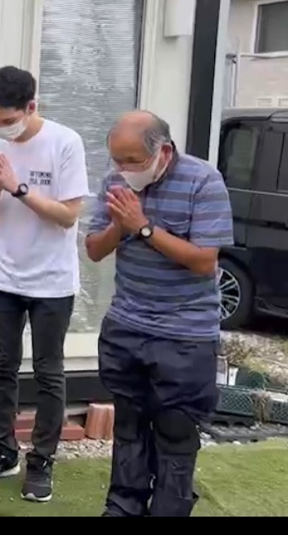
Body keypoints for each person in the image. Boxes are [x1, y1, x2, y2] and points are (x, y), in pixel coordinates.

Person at [85, 111, 232, 517]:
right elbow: (94, 249)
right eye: (117, 159)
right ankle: (123, 506)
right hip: (127, 324)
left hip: (185, 332)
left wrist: (143, 226)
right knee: (129, 424)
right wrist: (120, 226)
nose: (124, 169)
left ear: (163, 151)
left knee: (175, 429)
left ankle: (169, 510)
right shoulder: (115, 182)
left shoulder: (203, 181)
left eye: (132, 160)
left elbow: (204, 261)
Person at [0, 66, 89, 503]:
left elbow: (68, 215)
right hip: (1, 276)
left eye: (5, 120)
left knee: (48, 372)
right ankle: (3, 452)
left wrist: (17, 188)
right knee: (3, 366)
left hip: (52, 281)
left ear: (30, 107)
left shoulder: (64, 142)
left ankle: (42, 461)